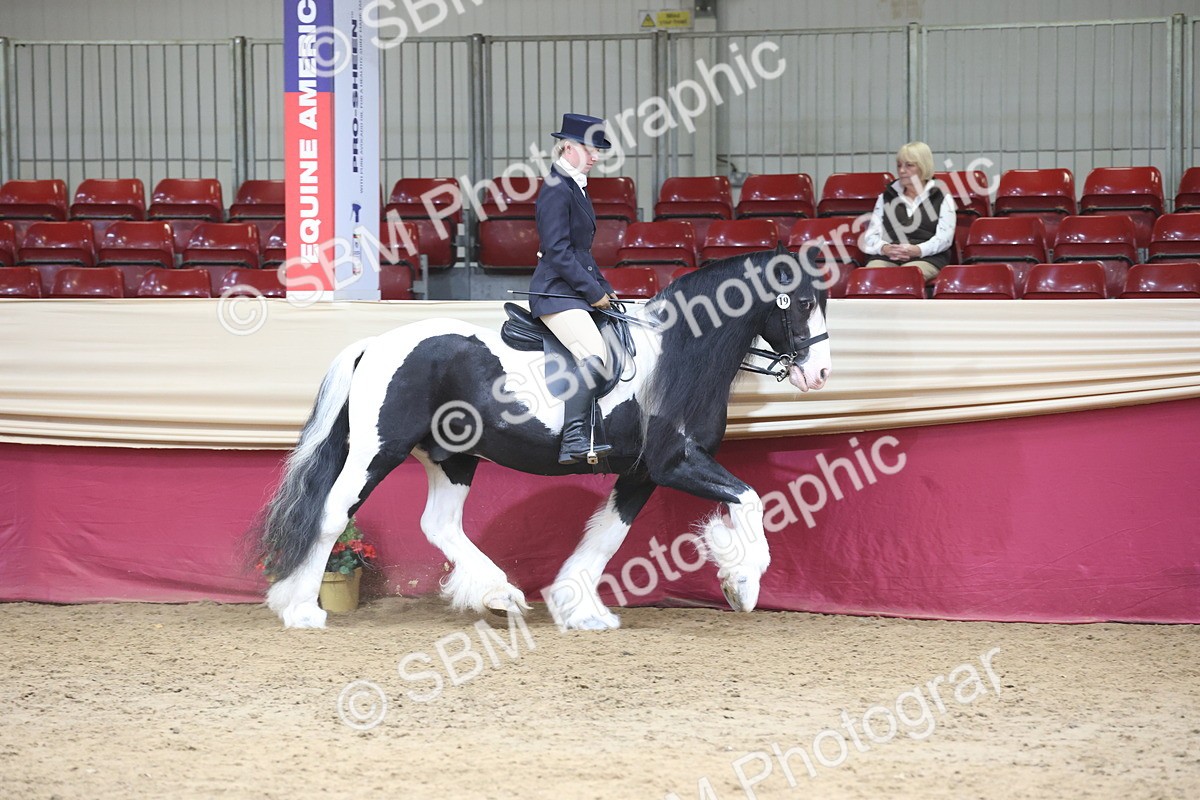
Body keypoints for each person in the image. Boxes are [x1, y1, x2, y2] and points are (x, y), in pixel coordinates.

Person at [528, 112, 618, 465]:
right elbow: (558, 252)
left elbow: (582, 252)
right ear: (568, 145)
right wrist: (594, 292)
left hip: (572, 288)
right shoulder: (555, 188)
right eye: (590, 148)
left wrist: (604, 287)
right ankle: (574, 437)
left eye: (598, 149)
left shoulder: (573, 187)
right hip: (555, 292)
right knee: (595, 354)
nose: (596, 156)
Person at [859, 141, 957, 282]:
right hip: (888, 257)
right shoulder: (885, 197)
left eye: (909, 165)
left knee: (906, 277)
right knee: (869, 277)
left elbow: (945, 239)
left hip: (927, 258)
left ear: (923, 167)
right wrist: (885, 248)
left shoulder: (942, 197)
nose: (902, 170)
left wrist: (918, 250)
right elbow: (871, 237)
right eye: (899, 165)